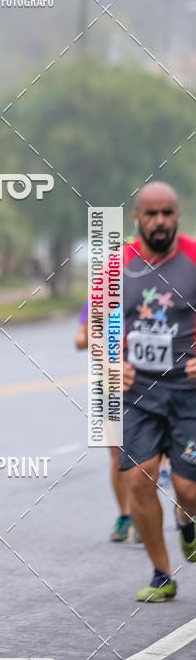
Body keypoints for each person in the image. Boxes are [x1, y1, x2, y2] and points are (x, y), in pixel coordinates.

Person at [118, 182, 196, 601]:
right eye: (152, 213)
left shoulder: (194, 257)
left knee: (187, 489)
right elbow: (99, 324)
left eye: (168, 212)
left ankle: (188, 520)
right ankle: (162, 575)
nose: (160, 221)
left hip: (189, 391)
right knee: (138, 478)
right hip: (140, 391)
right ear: (137, 217)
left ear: (177, 215)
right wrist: (112, 362)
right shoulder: (117, 266)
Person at [75, 301, 141, 543]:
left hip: (145, 383)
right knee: (117, 456)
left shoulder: (148, 292)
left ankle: (143, 513)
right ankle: (126, 516)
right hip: (109, 386)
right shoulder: (99, 299)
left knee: (146, 458)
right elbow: (80, 340)